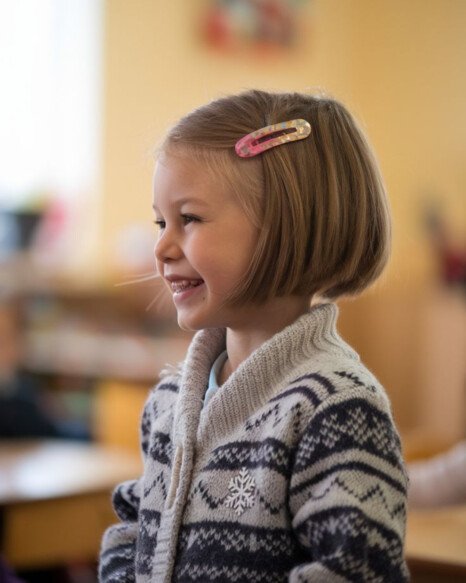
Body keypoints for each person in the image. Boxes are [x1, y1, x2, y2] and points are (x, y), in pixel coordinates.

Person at [99, 90, 409, 582]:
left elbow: (354, 573)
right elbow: (135, 531)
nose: (160, 247)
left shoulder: (337, 410)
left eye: (189, 219)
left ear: (284, 226)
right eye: (161, 221)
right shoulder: (169, 403)